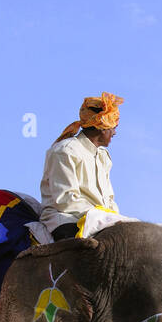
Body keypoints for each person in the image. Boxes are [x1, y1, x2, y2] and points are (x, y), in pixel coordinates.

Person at [39, 92, 125, 240]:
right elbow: (65, 200)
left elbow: (109, 200)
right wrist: (103, 217)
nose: (115, 132)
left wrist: (115, 220)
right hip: (67, 219)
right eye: (113, 127)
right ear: (102, 127)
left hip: (99, 221)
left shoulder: (104, 157)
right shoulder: (66, 150)